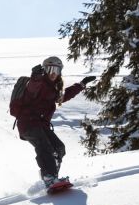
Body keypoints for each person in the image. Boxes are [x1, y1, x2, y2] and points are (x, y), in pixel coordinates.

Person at [15, 56, 95, 187]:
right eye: (50, 69)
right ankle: (49, 177)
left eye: (56, 70)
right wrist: (35, 77)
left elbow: (64, 96)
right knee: (44, 147)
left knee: (59, 148)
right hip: (28, 124)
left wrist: (82, 84)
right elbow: (31, 90)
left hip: (41, 125)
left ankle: (52, 177)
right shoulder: (38, 82)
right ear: (45, 70)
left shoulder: (54, 88)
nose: (53, 73)